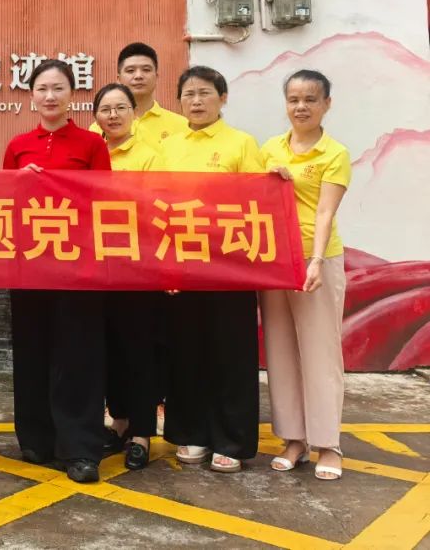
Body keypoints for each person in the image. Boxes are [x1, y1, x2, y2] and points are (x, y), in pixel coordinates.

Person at [4, 60, 111, 483]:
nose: (50, 96)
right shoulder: (18, 146)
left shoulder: (92, 144)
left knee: (78, 354)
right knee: (32, 349)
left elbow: (104, 200)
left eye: (58, 88)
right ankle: (36, 438)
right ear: (31, 96)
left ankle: (80, 447)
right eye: (42, 89)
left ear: (72, 95)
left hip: (78, 265)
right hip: (29, 263)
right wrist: (19, 181)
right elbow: (3, 204)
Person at [160, 66, 264, 473]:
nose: (196, 101)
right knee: (187, 351)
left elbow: (259, 202)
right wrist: (164, 266)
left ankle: (231, 440)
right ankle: (193, 432)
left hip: (229, 267)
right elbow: (154, 205)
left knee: (230, 354)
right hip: (182, 265)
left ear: (223, 98)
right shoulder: (169, 146)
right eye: (188, 94)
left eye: (205, 93)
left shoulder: (241, 143)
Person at [260, 70, 350, 481]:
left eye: (311, 99)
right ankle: (294, 439)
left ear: (326, 104)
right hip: (274, 261)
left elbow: (326, 212)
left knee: (320, 352)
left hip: (317, 260)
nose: (301, 107)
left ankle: (329, 443)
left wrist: (314, 261)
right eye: (294, 99)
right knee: (280, 352)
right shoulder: (270, 149)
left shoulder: (334, 153)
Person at [91, 83, 162, 472]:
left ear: (134, 112)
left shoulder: (150, 155)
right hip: (98, 266)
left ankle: (142, 433)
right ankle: (118, 421)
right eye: (106, 109)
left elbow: (156, 208)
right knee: (109, 348)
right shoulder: (92, 151)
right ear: (96, 116)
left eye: (121, 108)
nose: (113, 115)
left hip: (138, 266)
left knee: (139, 350)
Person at [90, 42, 187, 150]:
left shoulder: (182, 125)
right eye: (130, 70)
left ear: (156, 77)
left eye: (146, 70)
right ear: (119, 79)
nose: (138, 76)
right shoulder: (99, 128)